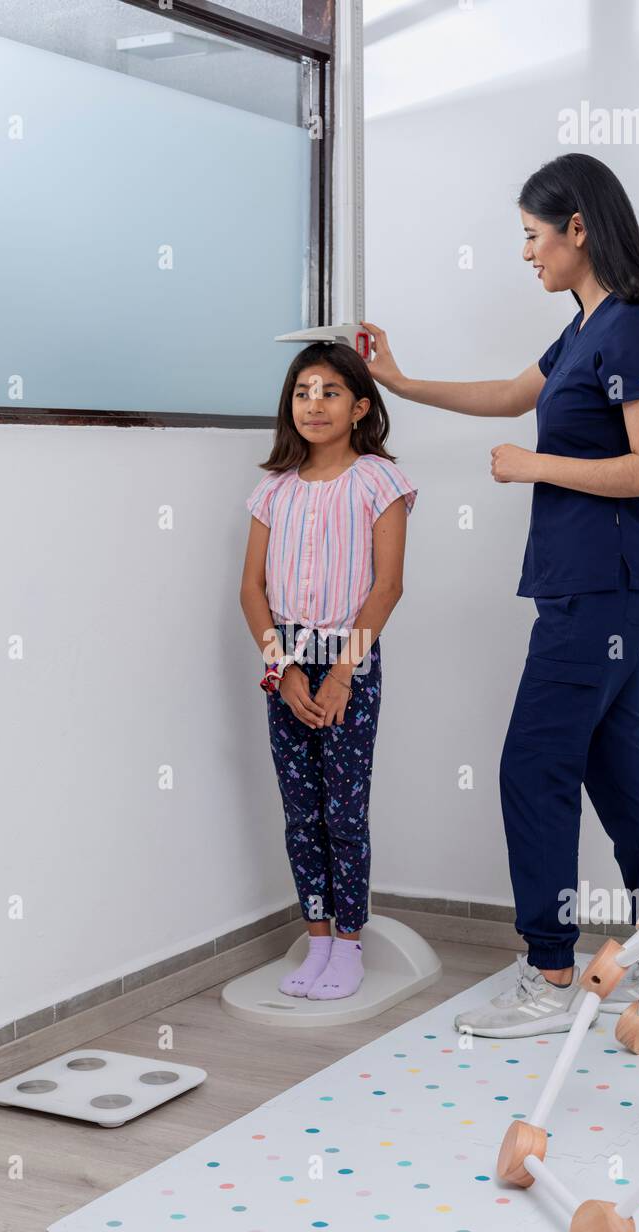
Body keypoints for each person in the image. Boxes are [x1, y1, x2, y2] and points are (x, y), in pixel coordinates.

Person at [363, 152, 639, 1037]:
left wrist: (532, 465)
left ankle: (551, 977)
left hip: (606, 583)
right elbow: (515, 392)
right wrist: (400, 383)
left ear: (578, 229)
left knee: (533, 764)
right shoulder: (586, 326)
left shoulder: (631, 328)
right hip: (592, 584)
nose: (526, 253)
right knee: (613, 760)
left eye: (532, 234)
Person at [239, 342, 417, 1001]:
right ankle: (314, 939)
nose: (315, 403)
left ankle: (349, 944)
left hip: (351, 654)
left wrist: (341, 674)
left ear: (360, 406)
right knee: (299, 809)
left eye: (331, 391)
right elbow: (251, 590)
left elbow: (387, 586)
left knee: (344, 808)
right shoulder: (272, 492)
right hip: (285, 656)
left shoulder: (380, 482)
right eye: (303, 392)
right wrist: (281, 669)